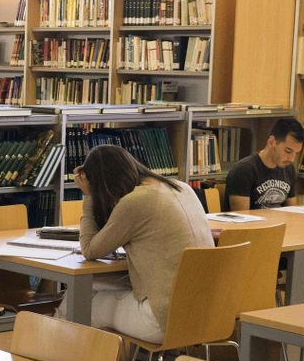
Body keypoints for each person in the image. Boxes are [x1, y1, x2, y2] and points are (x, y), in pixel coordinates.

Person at [76, 144, 213, 343]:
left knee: (80, 301)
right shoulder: (181, 187)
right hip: (205, 312)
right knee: (93, 286)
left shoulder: (136, 201)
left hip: (163, 320)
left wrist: (89, 195)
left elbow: (89, 250)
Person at [225, 117, 304, 210]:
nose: (292, 159)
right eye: (288, 151)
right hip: (255, 224)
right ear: (271, 142)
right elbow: (242, 218)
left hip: (280, 223)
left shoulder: (288, 169)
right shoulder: (243, 170)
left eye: (296, 153)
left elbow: (292, 212)